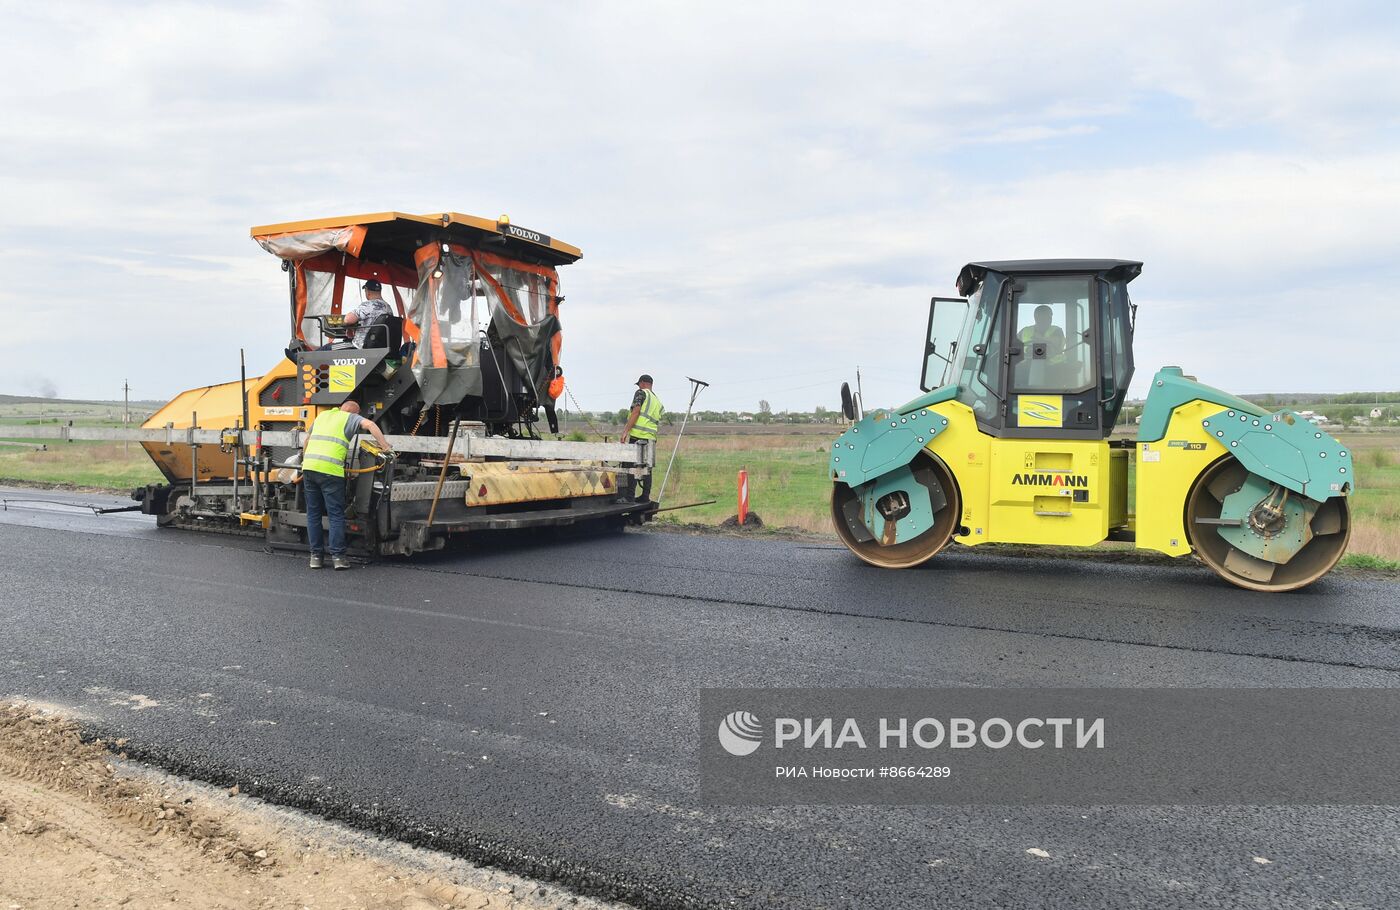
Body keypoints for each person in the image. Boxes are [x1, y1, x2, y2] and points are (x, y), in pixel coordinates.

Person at [295, 400, 392, 570]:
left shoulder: (323, 415)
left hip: (309, 468)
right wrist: (385, 447)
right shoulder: (350, 418)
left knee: (313, 514)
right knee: (335, 515)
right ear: (354, 412)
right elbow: (370, 425)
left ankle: (316, 558)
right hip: (330, 472)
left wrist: (305, 460)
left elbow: (307, 440)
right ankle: (338, 558)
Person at [620, 374, 663, 501]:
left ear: (643, 383)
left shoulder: (641, 393)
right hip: (651, 437)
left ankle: (629, 497)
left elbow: (636, 412)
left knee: (630, 466)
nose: (639, 387)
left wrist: (625, 431)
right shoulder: (656, 400)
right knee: (647, 467)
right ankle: (645, 496)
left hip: (638, 436)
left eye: (639, 384)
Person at [343, 279, 393, 348]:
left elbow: (348, 320)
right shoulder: (388, 308)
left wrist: (349, 327)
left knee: (328, 348)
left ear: (367, 291)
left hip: (362, 346)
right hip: (381, 346)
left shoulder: (368, 305)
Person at [543, 366, 565, 435]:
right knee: (550, 412)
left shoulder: (557, 380)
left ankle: (554, 430)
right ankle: (554, 430)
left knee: (550, 412)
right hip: (549, 397)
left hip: (549, 398)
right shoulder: (557, 380)